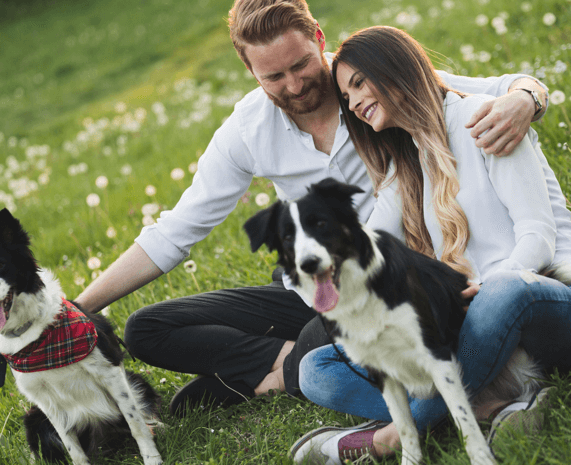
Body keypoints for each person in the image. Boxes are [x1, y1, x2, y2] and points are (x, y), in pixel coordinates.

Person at [74, 0, 553, 426]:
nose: (295, 84)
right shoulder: (249, 130)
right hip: (320, 283)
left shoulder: (372, 89)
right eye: (274, 77)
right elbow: (174, 232)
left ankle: (275, 372)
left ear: (318, 37)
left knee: (336, 331)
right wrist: (75, 309)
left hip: (393, 282)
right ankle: (285, 367)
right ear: (250, 70)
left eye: (301, 64)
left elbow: (493, 90)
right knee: (147, 329)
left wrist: (526, 99)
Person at [290, 25, 571, 464]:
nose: (355, 102)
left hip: (541, 297)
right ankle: (497, 406)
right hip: (476, 326)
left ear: (395, 67)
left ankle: (391, 436)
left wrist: (483, 293)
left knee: (505, 290)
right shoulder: (404, 165)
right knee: (316, 368)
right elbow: (367, 245)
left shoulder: (483, 118)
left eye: (360, 83)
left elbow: (538, 236)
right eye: (347, 97)